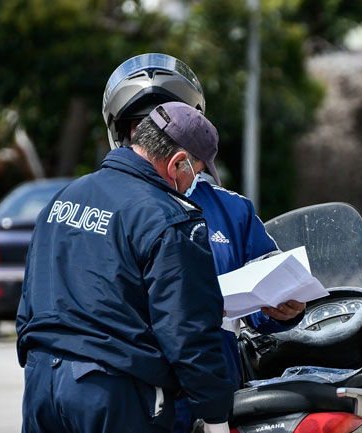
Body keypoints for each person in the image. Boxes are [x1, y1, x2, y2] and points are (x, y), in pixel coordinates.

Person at [102, 53, 306, 433]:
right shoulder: (107, 203)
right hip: (136, 391)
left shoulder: (233, 210)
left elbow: (268, 292)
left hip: (214, 389)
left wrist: (284, 308)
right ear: (124, 133)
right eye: (142, 125)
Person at [16, 101, 235, 433]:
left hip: (42, 383)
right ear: (178, 163)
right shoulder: (169, 219)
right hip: (113, 392)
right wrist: (216, 414)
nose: (194, 185)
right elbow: (188, 333)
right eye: (198, 172)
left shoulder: (64, 198)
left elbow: (30, 297)